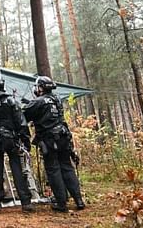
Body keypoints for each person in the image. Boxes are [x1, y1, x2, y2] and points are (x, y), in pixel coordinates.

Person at [22, 76, 85, 212]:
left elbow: (24, 116)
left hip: (49, 140)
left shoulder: (38, 102)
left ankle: (61, 203)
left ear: (40, 88)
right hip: (63, 138)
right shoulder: (56, 99)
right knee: (67, 167)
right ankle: (78, 200)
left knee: (53, 170)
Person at [0, 77, 35, 213]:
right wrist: (26, 141)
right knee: (17, 168)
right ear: (3, 86)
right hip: (10, 139)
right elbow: (21, 122)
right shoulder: (11, 101)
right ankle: (26, 202)